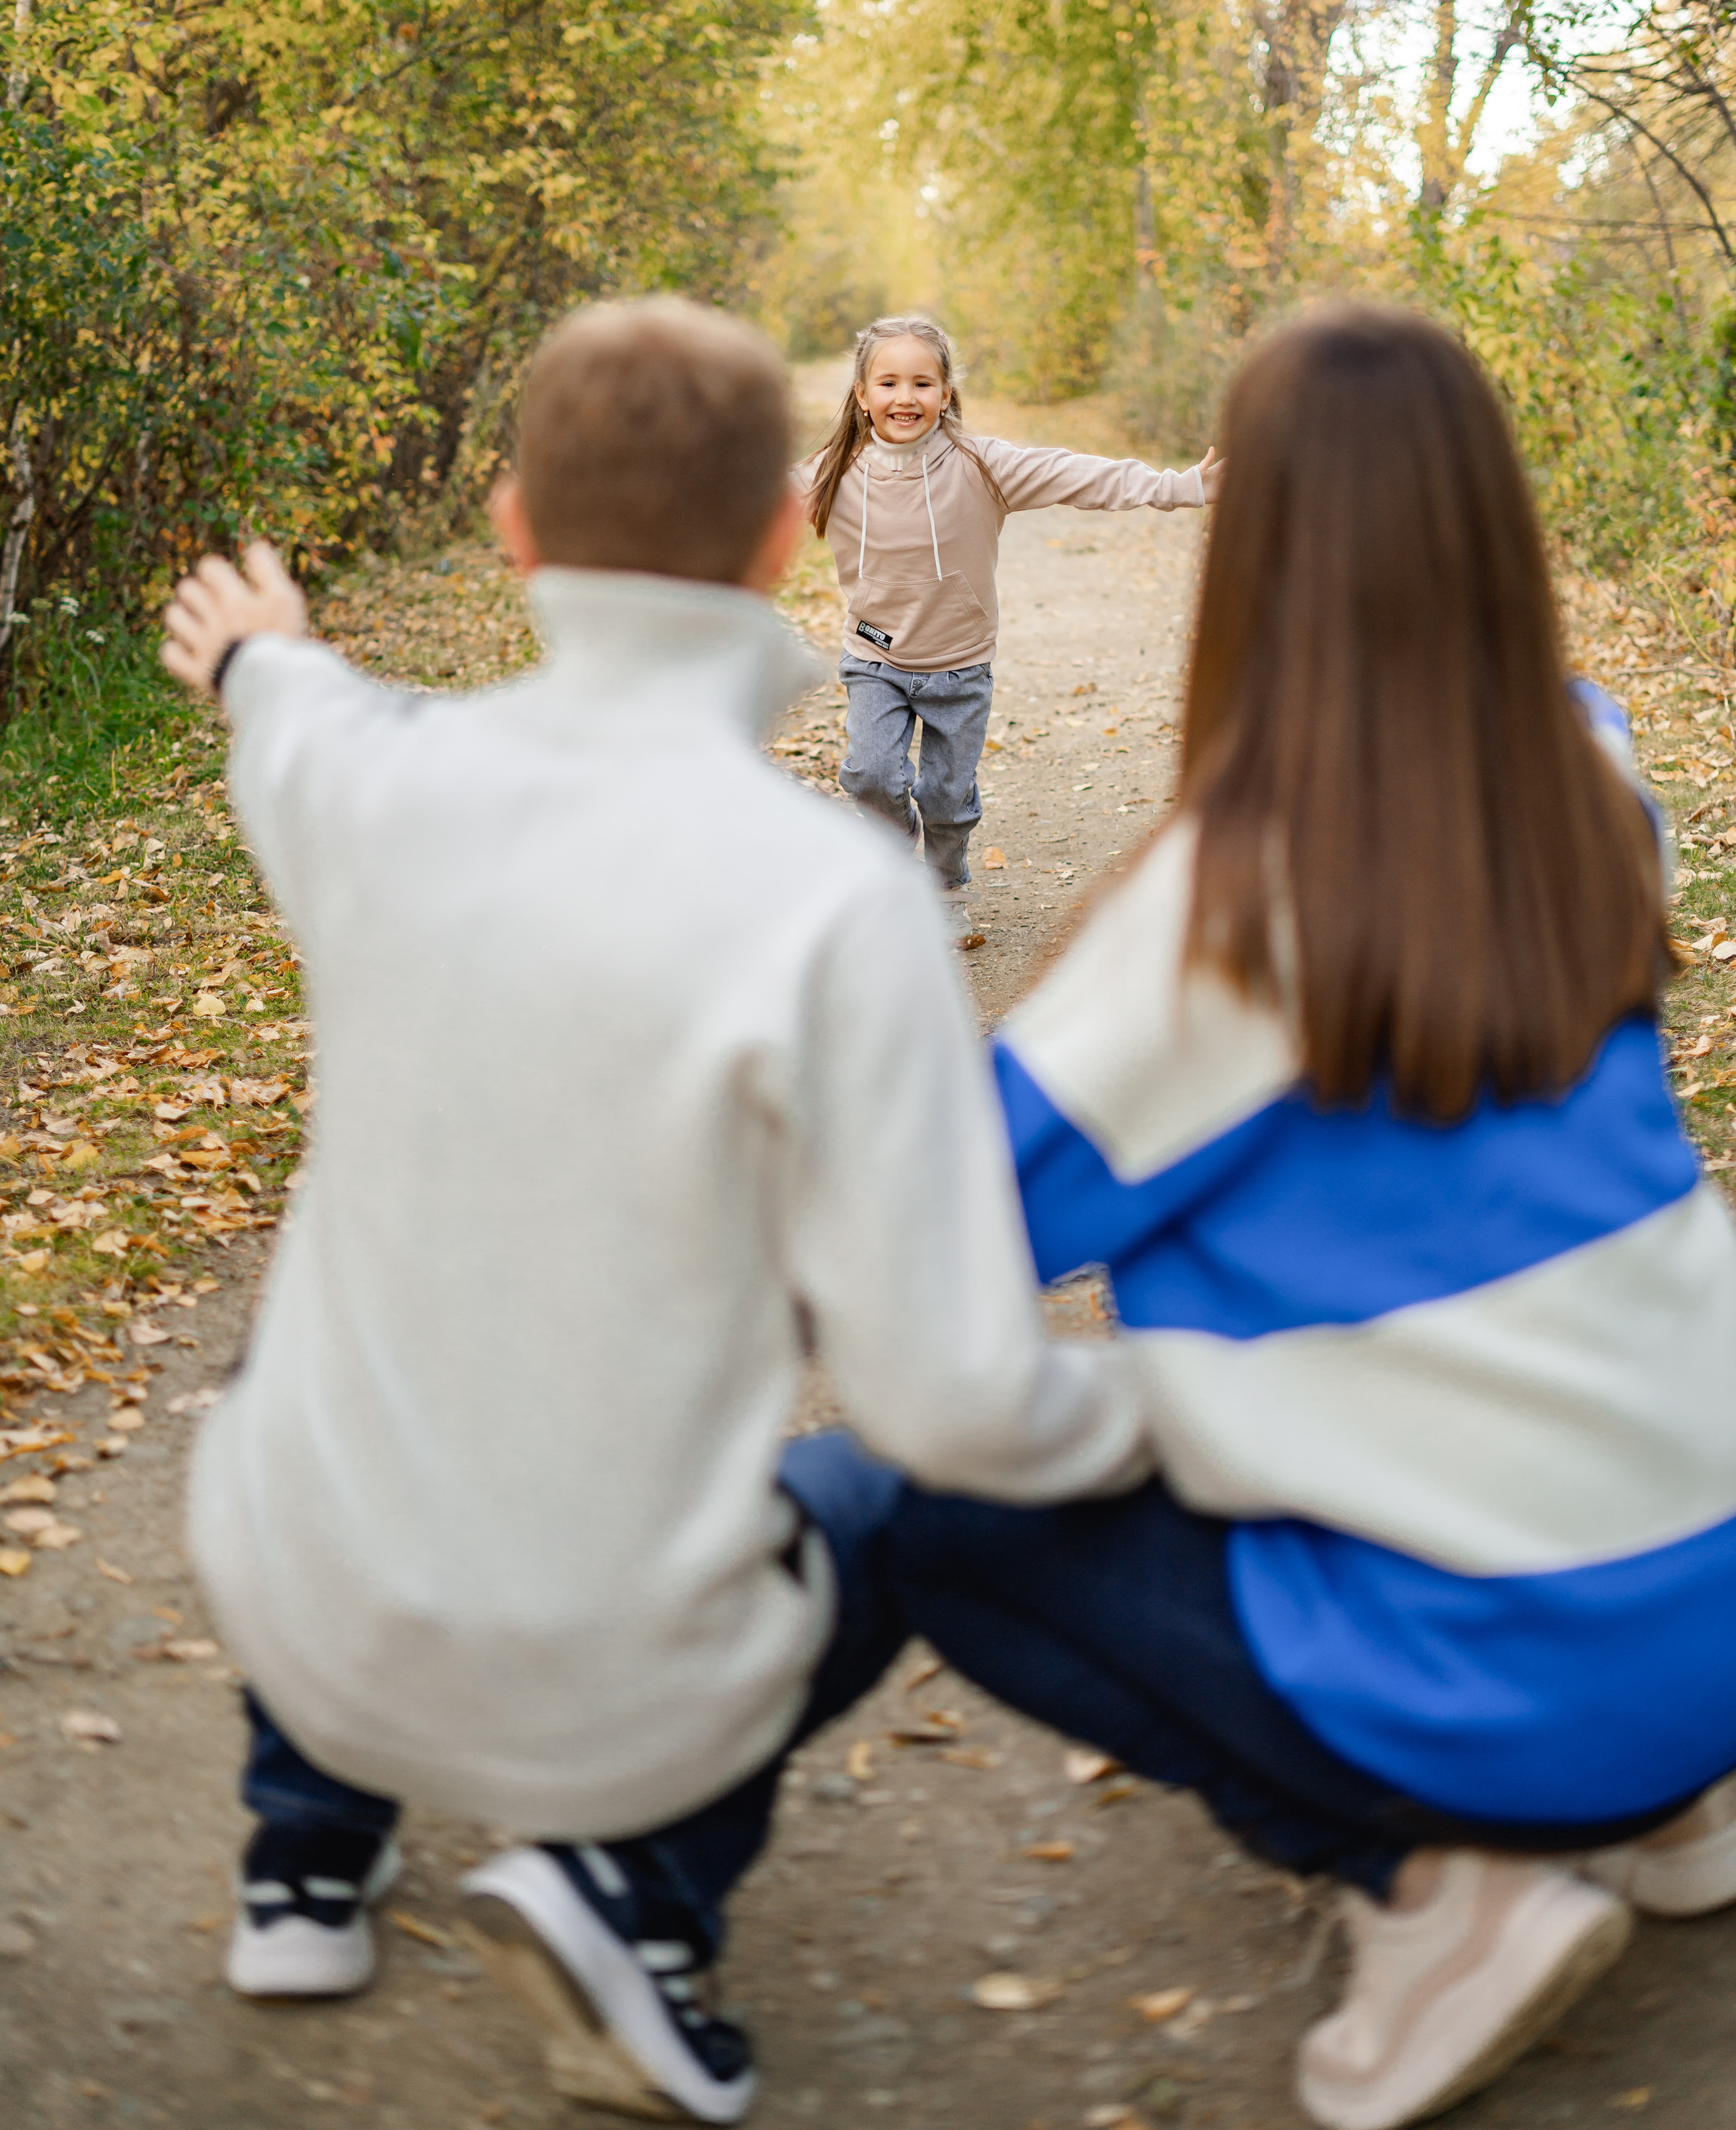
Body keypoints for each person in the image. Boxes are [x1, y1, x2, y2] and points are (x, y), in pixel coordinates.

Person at [160, 298, 1148, 2125]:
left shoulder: (381, 782)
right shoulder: (836, 900)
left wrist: (256, 652)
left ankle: (304, 1853)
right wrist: (1155, 1416)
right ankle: (643, 1888)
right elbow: (944, 1393)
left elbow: (294, 708)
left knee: (346, 1356)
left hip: (301, 1586)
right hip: (612, 1688)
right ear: (789, 535)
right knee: (880, 1484)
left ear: (513, 532)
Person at [845, 304, 1736, 2130]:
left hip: (1511, 1680)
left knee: (924, 1510)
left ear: (1248, 554)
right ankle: (1676, 1796)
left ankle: (1438, 1893)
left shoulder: (1219, 915)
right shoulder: (1604, 773)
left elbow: (937, 1250)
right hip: (1711, 1600)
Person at [798, 313, 1222, 938]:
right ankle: (894, 871)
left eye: (922, 383)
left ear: (946, 393)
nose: (905, 398)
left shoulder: (981, 464)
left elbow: (1077, 474)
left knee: (946, 794)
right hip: (875, 658)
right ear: (862, 394)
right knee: (870, 774)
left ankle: (946, 887)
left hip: (960, 664)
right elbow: (750, 502)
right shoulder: (833, 471)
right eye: (888, 383)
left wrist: (1180, 485)